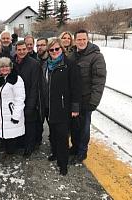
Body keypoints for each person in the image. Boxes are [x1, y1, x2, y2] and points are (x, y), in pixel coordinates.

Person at [43, 38, 81, 175]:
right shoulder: (45, 65)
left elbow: (76, 87)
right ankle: (55, 153)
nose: (54, 52)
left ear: (62, 49)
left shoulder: (69, 64)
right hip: (49, 106)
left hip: (63, 107)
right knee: (53, 134)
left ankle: (63, 163)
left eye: (57, 49)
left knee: (62, 136)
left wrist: (75, 108)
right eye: (51, 50)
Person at [70, 29, 106, 163]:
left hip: (87, 100)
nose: (81, 42)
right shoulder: (73, 55)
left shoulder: (96, 56)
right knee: (74, 126)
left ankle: (82, 152)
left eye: (84, 39)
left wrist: (94, 102)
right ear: (75, 40)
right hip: (74, 100)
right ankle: (74, 147)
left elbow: (99, 80)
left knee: (84, 128)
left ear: (88, 39)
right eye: (79, 39)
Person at [13, 40, 40, 158]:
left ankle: (29, 147)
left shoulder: (34, 64)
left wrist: (31, 104)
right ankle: (21, 143)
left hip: (29, 98)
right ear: (16, 50)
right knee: (19, 123)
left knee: (30, 124)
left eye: (24, 49)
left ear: (27, 49)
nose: (22, 52)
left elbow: (35, 86)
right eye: (19, 50)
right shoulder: (12, 63)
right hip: (16, 100)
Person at [0, 57, 25, 154]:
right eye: (2, 67)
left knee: (11, 138)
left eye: (6, 66)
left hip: (11, 113)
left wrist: (15, 116)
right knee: (3, 136)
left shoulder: (16, 79)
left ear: (11, 67)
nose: (4, 69)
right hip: (0, 114)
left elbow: (20, 98)